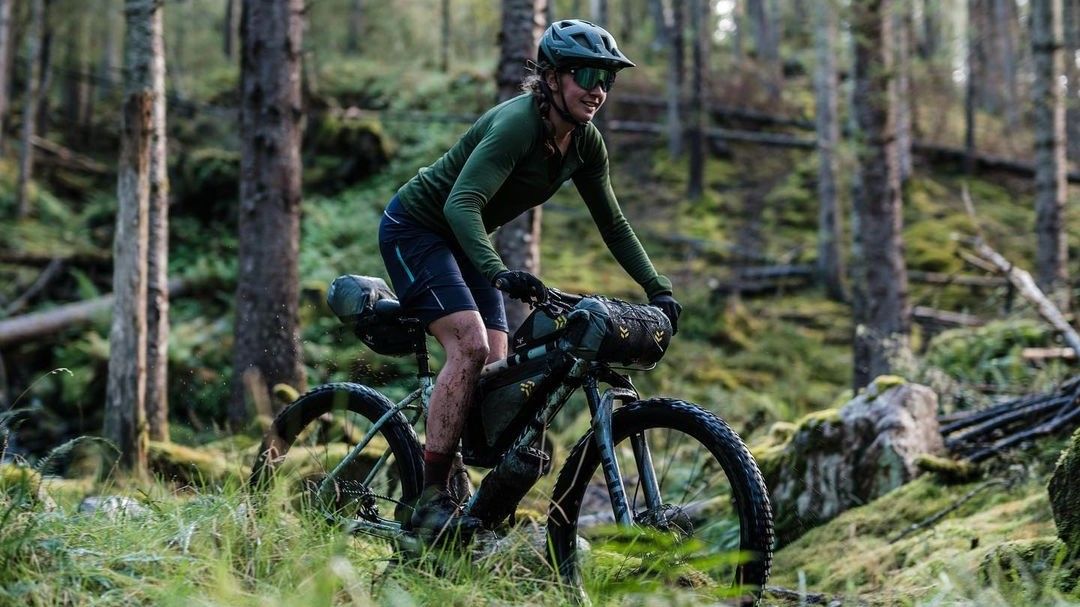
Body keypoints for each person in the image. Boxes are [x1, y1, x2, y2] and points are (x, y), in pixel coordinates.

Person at [378, 19, 682, 538]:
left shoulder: (586, 145)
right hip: (418, 229)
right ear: (552, 77)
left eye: (607, 78)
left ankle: (459, 495)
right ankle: (427, 496)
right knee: (469, 348)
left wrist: (658, 289)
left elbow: (613, 224)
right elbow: (461, 203)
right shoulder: (517, 125)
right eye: (586, 73)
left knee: (498, 373)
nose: (598, 88)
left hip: (467, 239)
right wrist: (498, 271)